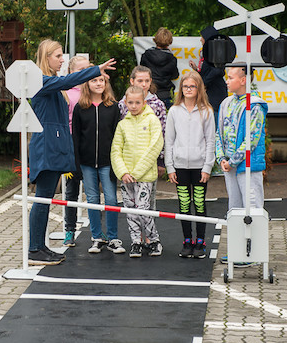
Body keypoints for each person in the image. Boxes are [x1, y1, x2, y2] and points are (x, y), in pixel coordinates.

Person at [28, 40, 116, 265]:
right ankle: (34, 249)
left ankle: (40, 246)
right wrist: (94, 71)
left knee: (45, 199)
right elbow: (67, 80)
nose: (61, 60)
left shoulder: (49, 82)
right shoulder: (41, 80)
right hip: (46, 148)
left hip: (52, 147)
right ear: (46, 57)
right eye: (57, 56)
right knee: (42, 199)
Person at [72, 71, 125, 254]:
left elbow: (118, 137)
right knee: (93, 199)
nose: (98, 83)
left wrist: (116, 164)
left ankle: (113, 237)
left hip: (107, 162)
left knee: (111, 199)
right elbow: (76, 137)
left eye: (101, 80)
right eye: (94, 80)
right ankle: (97, 237)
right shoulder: (80, 108)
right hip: (86, 162)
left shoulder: (113, 107)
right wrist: (76, 163)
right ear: (87, 84)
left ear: (106, 83)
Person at [165, 71, 215, 259]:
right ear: (181, 89)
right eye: (185, 86)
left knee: (200, 204)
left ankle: (200, 242)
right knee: (184, 204)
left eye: (192, 86)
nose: (188, 89)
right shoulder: (174, 111)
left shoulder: (206, 111)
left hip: (200, 166)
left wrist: (207, 167)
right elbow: (169, 140)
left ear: (199, 88)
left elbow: (211, 141)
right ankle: (187, 241)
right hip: (180, 167)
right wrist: (170, 167)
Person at [111, 86, 164, 258]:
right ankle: (136, 242)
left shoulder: (152, 121)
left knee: (143, 209)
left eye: (137, 102)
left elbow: (155, 147)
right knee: (130, 209)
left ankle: (153, 240)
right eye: (130, 102)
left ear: (144, 102)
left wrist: (136, 172)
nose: (133, 106)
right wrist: (123, 172)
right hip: (126, 177)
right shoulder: (122, 125)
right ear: (125, 103)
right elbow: (115, 150)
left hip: (145, 176)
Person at [216, 65, 267, 211]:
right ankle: (236, 235)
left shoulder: (254, 105)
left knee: (252, 208)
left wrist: (233, 161)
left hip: (248, 166)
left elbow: (251, 140)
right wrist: (221, 158)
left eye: (230, 77)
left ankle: (254, 235)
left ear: (243, 80)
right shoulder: (226, 103)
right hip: (229, 165)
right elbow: (219, 132)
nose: (226, 81)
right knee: (234, 209)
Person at [118, 65, 166, 179]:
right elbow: (118, 134)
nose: (144, 84)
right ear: (132, 81)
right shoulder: (122, 105)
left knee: (148, 195)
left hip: (150, 160)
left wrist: (161, 160)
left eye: (147, 81)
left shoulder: (157, 105)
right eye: (140, 81)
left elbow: (163, 133)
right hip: (128, 159)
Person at [62, 55, 90, 247]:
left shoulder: (95, 89)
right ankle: (69, 230)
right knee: (71, 189)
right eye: (80, 70)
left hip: (90, 143)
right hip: (72, 144)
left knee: (93, 190)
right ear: (71, 72)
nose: (84, 74)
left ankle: (99, 232)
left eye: (87, 69)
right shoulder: (66, 93)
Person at [189, 26, 228, 127]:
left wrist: (204, 83)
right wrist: (196, 70)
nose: (200, 39)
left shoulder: (217, 52)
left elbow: (217, 70)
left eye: (202, 37)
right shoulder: (206, 52)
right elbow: (208, 71)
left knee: (214, 123)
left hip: (215, 93)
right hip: (208, 93)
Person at [140, 27, 179, 109]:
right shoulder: (172, 59)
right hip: (165, 94)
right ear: (169, 42)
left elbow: (140, 72)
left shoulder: (146, 55)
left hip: (148, 93)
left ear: (156, 39)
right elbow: (175, 76)